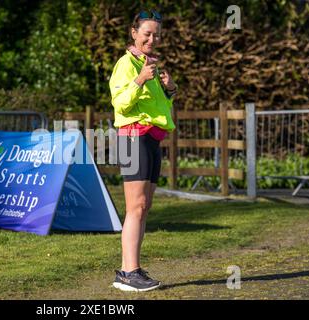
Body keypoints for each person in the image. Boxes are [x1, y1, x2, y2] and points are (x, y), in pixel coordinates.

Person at [109, 9, 177, 292]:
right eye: (147, 33)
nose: (152, 38)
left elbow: (158, 108)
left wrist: (169, 90)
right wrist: (139, 80)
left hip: (152, 138)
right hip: (133, 137)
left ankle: (131, 269)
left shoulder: (151, 65)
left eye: (156, 34)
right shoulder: (126, 64)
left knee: (144, 207)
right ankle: (128, 272)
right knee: (135, 207)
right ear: (133, 33)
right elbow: (121, 104)